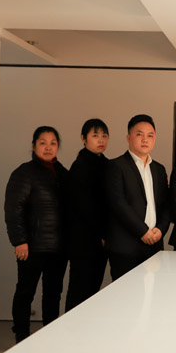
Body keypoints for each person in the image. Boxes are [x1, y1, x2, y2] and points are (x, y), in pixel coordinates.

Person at [4, 126, 68, 343]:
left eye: (53, 143)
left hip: (58, 247)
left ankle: (49, 335)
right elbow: (13, 210)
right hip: (31, 246)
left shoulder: (63, 173)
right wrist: (19, 241)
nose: (48, 147)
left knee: (53, 293)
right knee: (25, 292)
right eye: (43, 143)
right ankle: (21, 336)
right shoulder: (24, 173)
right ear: (33, 146)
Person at [105, 114, 170, 280]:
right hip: (126, 247)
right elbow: (118, 204)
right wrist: (143, 231)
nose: (145, 139)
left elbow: (166, 205)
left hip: (154, 245)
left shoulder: (159, 169)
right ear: (128, 137)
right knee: (125, 293)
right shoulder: (115, 166)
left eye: (150, 135)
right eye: (139, 134)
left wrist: (160, 230)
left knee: (154, 292)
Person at [65, 119, 110, 311]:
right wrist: (102, 234)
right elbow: (85, 206)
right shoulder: (80, 166)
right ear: (84, 138)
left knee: (93, 289)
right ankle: (70, 326)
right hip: (83, 240)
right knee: (80, 289)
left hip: (101, 240)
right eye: (95, 135)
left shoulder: (107, 164)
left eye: (104, 136)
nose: (101, 140)